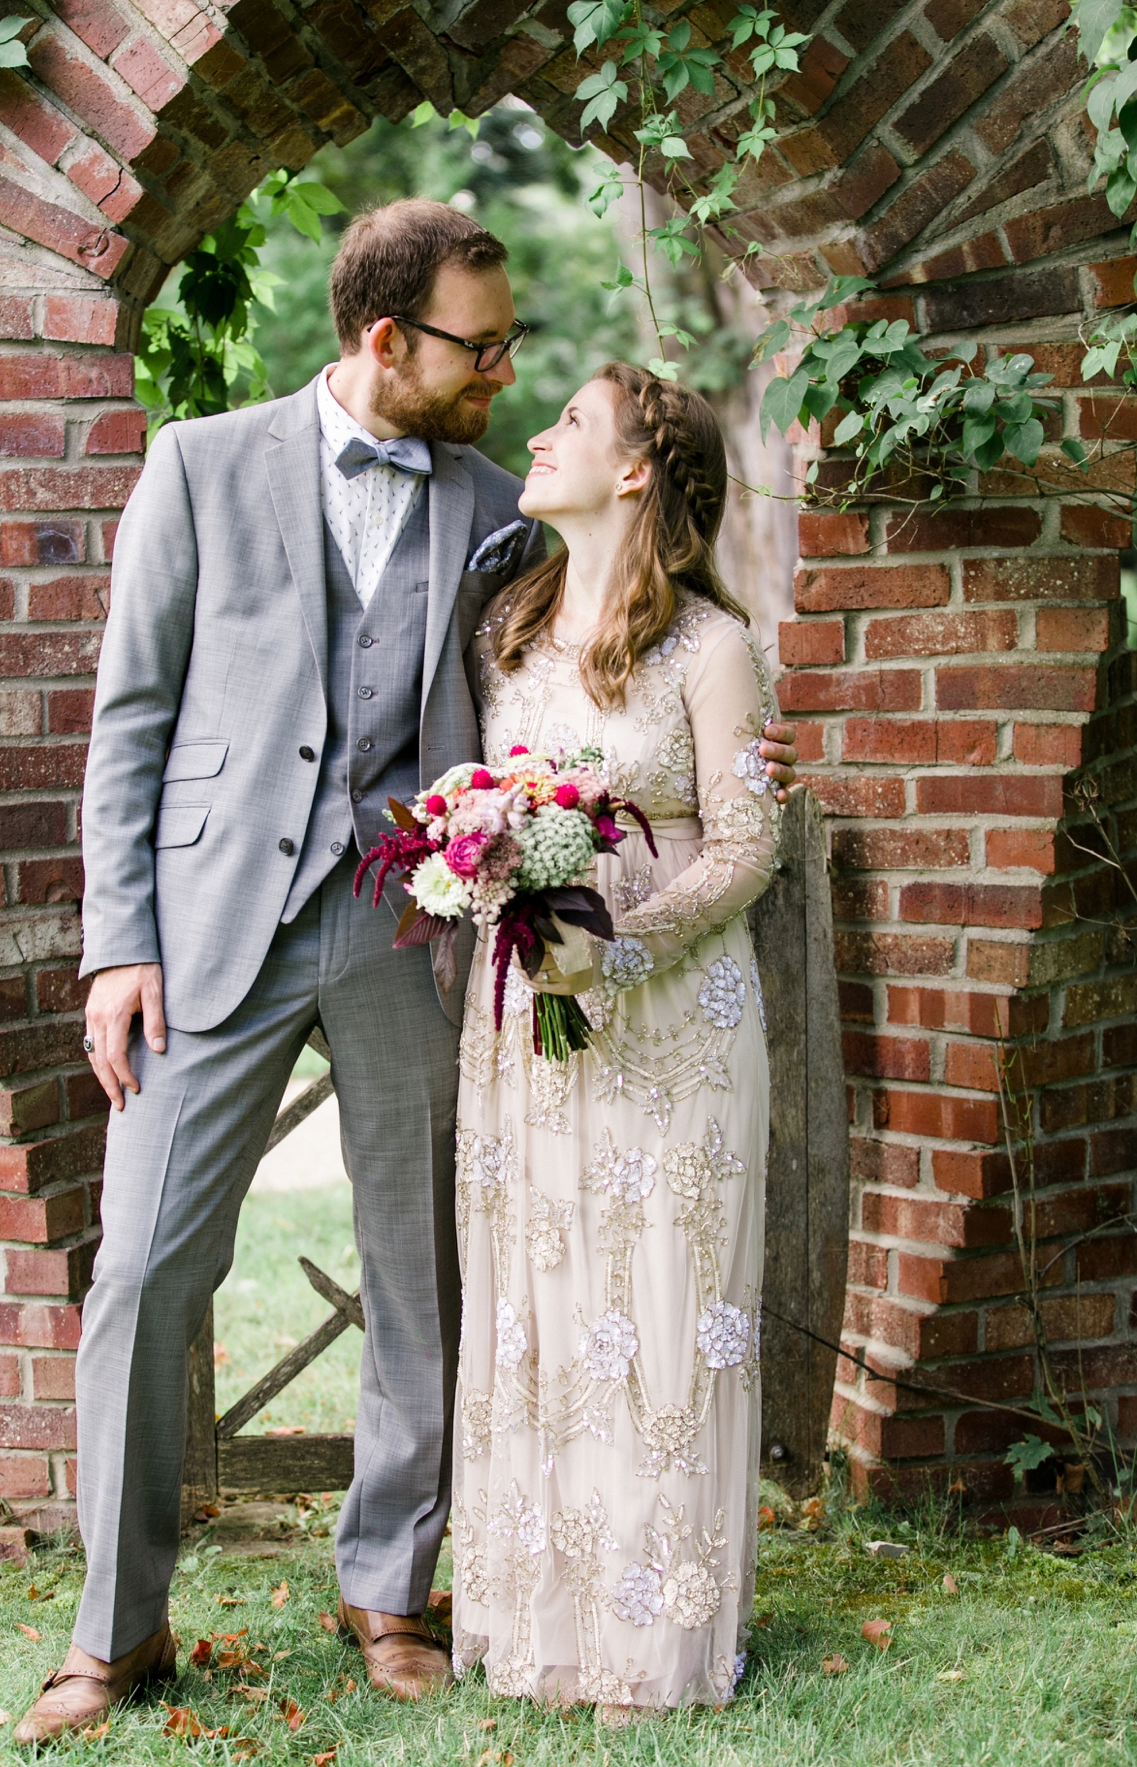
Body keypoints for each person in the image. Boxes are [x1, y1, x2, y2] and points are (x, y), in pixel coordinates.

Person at [14, 200, 798, 1745]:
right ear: (389, 338)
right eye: (480, 345)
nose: (504, 371)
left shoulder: (502, 507)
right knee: (144, 1269)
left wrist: (694, 791)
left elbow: (585, 666)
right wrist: (119, 943)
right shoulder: (201, 465)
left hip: (412, 932)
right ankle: (115, 1632)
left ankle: (390, 1589)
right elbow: (134, 717)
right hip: (212, 925)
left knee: (419, 1270)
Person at [452, 363, 779, 1719]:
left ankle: (659, 1632)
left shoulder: (710, 650)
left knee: (656, 1313)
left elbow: (753, 840)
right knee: (543, 1309)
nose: (540, 435)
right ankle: (545, 1616)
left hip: (678, 1025)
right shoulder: (508, 635)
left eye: (571, 422)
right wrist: (478, 878)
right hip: (528, 1025)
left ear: (638, 469)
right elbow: (483, 812)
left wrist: (626, 945)